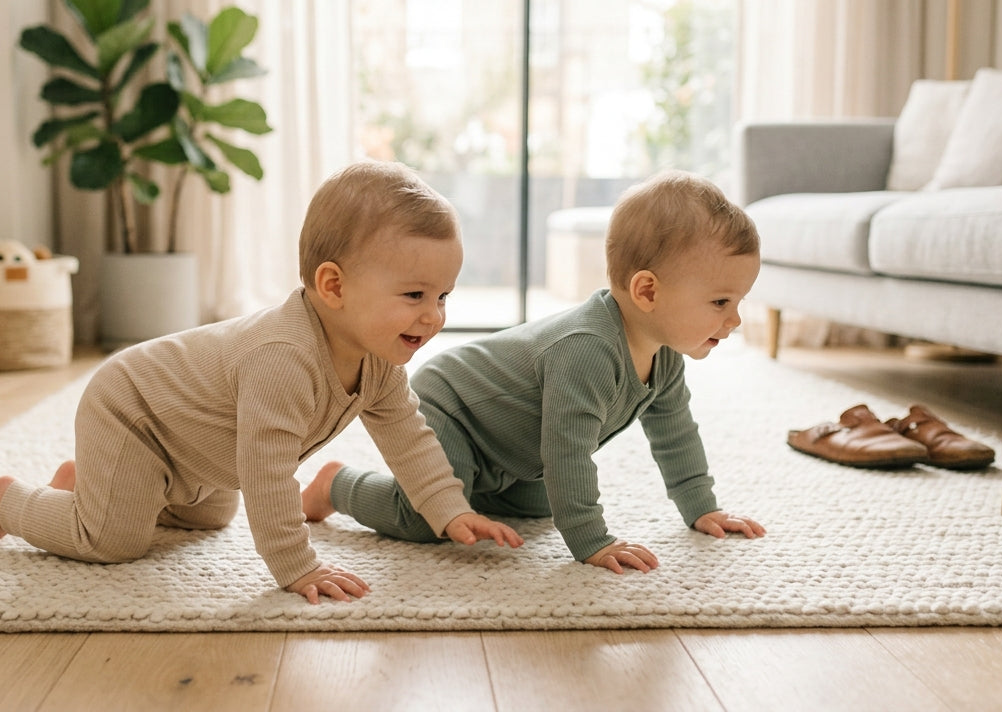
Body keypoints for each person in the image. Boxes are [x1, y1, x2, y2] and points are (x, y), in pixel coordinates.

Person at [0, 161, 524, 604]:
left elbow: (408, 437)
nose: (434, 316)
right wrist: (298, 565)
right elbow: (268, 473)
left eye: (443, 295)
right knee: (113, 542)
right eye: (415, 296)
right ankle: (12, 503)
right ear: (333, 286)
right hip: (134, 410)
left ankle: (96, 484)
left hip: (196, 448)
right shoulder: (283, 360)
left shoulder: (377, 361)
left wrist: (449, 509)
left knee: (211, 517)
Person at [302, 170, 766, 575]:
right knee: (428, 520)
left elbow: (675, 433)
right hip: (454, 409)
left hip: (510, 450)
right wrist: (592, 541)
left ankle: (473, 487)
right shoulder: (586, 351)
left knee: (544, 504)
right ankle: (336, 484)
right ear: (646, 291)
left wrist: (702, 508)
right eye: (720, 302)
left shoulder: (664, 358)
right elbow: (567, 452)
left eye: (738, 302)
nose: (735, 319)